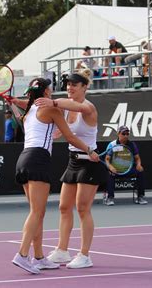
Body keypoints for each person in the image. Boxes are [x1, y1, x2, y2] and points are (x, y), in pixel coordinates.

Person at [11, 77, 99, 274]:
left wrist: (17, 102)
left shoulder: (30, 111)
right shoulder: (51, 108)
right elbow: (70, 137)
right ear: (47, 93)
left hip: (23, 160)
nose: (67, 88)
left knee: (39, 212)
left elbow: (35, 104)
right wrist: (90, 150)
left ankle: (40, 257)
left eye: (73, 85)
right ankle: (23, 255)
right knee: (37, 213)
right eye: (54, 89)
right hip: (39, 159)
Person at [35, 68, 109, 269]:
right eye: (67, 85)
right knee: (64, 207)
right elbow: (49, 108)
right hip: (73, 161)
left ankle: (85, 255)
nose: (69, 88)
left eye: (74, 85)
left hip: (89, 162)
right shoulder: (66, 107)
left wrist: (54, 102)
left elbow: (70, 105)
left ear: (84, 87)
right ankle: (62, 250)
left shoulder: (88, 107)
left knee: (83, 208)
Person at [104, 125, 148, 206]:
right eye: (123, 133)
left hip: (128, 169)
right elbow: (107, 159)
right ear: (118, 134)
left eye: (127, 134)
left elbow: (137, 158)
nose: (126, 135)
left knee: (140, 171)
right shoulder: (112, 144)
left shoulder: (132, 144)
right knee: (109, 174)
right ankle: (109, 197)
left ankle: (140, 196)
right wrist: (111, 167)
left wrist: (139, 165)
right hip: (116, 170)